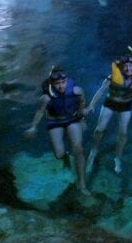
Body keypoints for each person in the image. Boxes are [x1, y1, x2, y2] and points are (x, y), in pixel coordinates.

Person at [85, 52, 132, 174]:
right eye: (126, 65)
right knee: (99, 129)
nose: (128, 68)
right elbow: (101, 91)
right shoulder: (112, 76)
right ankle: (93, 152)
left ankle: (117, 157)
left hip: (126, 105)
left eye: (131, 65)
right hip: (110, 103)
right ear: (122, 66)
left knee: (123, 133)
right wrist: (92, 105)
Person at [25, 66, 90, 195]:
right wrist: (33, 126)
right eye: (57, 84)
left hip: (71, 118)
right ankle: (65, 157)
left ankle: (82, 183)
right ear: (52, 84)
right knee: (59, 154)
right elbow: (40, 112)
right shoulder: (46, 97)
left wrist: (82, 119)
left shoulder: (76, 90)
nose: (61, 86)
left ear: (67, 81)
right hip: (55, 121)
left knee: (78, 149)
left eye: (63, 83)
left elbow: (82, 102)